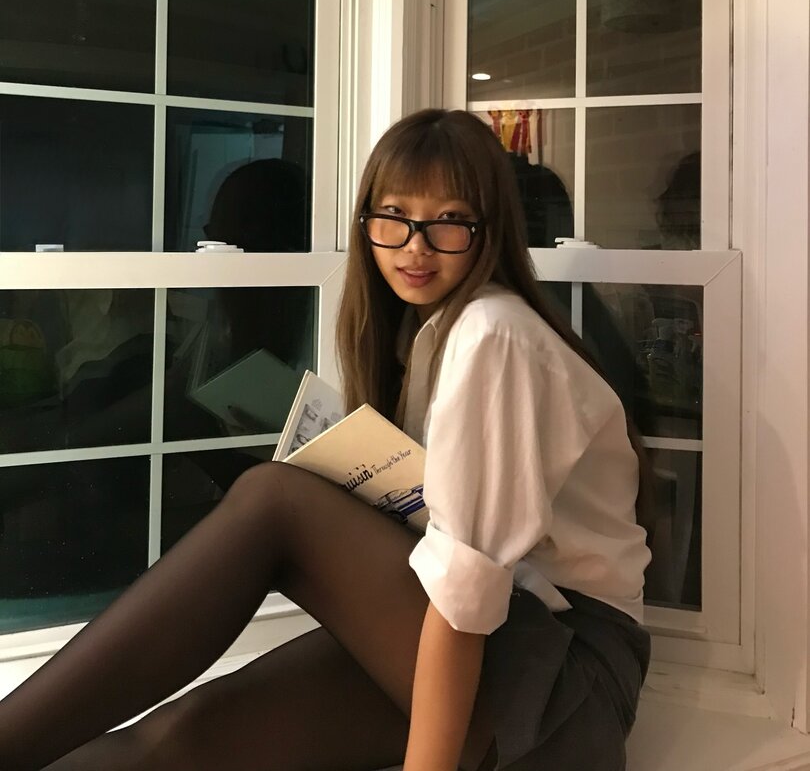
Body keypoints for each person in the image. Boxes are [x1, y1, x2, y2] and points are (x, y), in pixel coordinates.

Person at [0, 108, 651, 771]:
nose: (415, 246)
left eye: (449, 220)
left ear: (489, 230)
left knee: (275, 500)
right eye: (394, 216)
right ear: (366, 223)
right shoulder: (426, 334)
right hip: (503, 650)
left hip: (563, 680)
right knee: (176, 738)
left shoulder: (494, 332)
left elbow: (465, 595)